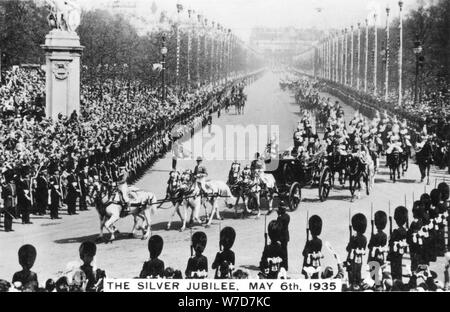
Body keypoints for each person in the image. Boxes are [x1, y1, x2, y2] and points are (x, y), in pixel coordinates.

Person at [345, 213, 367, 290]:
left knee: (352, 274)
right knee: (358, 272)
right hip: (360, 259)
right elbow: (364, 250)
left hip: (352, 258)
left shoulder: (354, 238)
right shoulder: (364, 238)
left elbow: (348, 248)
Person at [388, 206, 409, 281]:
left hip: (395, 252)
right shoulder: (404, 230)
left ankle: (396, 282)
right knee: (399, 266)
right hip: (400, 251)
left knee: (394, 269)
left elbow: (391, 242)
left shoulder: (396, 231)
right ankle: (399, 280)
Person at [302, 215, 323, 279]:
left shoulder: (309, 242)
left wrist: (307, 242)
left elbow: (304, 253)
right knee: (316, 276)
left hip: (309, 264)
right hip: (317, 263)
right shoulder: (320, 241)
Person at [277, 203, 290, 269]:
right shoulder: (287, 216)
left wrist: (279, 216)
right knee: (285, 252)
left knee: (281, 252)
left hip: (281, 237)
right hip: (286, 236)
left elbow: (278, 226)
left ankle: (282, 265)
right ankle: (285, 266)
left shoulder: (280, 218)